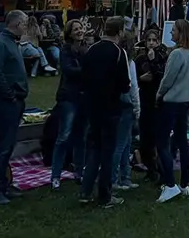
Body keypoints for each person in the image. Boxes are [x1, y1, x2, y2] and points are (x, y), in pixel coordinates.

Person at [77, 17, 132, 208]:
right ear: (120, 32)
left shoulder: (92, 49)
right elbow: (125, 85)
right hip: (111, 108)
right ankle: (105, 195)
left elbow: (82, 77)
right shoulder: (118, 52)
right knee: (107, 153)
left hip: (92, 106)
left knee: (93, 149)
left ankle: (85, 191)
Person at [0, 10, 30, 205]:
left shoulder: (12, 42)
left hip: (16, 100)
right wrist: (10, 96)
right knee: (2, 146)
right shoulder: (0, 43)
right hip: (6, 102)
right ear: (17, 23)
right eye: (25, 24)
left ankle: (4, 183)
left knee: (9, 145)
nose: (26, 27)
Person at [155, 16, 189, 204]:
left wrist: (159, 94)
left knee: (162, 142)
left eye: (173, 30)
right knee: (182, 141)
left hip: (172, 102)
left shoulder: (177, 54)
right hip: (186, 101)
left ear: (180, 33)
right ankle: (185, 183)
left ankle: (170, 184)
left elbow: (168, 79)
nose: (170, 33)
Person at [48, 18, 89, 190]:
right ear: (69, 33)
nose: (79, 31)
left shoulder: (86, 49)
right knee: (64, 136)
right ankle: (55, 175)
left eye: (81, 28)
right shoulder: (65, 51)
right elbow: (69, 70)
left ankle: (79, 171)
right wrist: (88, 71)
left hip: (84, 97)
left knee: (81, 136)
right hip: (69, 97)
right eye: (75, 29)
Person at [134, 24, 165, 183]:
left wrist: (153, 64)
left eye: (154, 40)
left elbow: (159, 76)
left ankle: (161, 170)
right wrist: (142, 78)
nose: (151, 43)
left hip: (157, 101)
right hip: (145, 99)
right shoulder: (140, 59)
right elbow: (137, 77)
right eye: (149, 40)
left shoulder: (162, 57)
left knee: (157, 139)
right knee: (145, 139)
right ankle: (150, 169)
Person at [115, 24, 142, 189]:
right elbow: (133, 86)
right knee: (121, 144)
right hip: (126, 104)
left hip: (116, 103)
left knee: (126, 143)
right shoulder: (129, 61)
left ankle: (124, 177)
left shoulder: (115, 58)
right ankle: (115, 178)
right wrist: (137, 107)